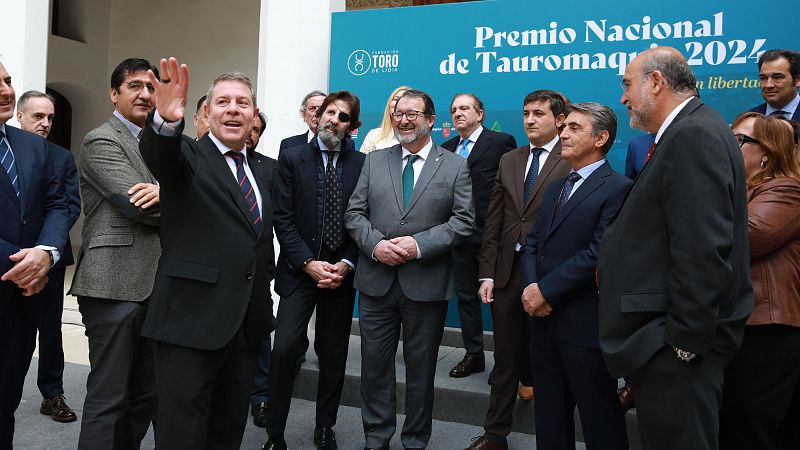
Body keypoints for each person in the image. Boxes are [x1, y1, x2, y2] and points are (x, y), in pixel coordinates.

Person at [597, 47, 752, 450]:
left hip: (678, 352)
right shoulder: (691, 129)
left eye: (627, 85)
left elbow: (702, 248)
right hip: (672, 345)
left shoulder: (693, 134)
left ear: (656, 82)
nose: (623, 98)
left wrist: (683, 345)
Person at [139, 57, 276, 450]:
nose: (233, 109)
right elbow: (161, 154)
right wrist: (164, 120)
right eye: (223, 102)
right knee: (182, 436)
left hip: (245, 329)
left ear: (254, 116)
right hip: (189, 326)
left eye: (243, 103)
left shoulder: (260, 172)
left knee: (227, 433)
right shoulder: (188, 158)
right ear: (206, 112)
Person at [345, 89, 475, 450]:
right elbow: (354, 215)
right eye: (399, 113)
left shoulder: (454, 165)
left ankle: (416, 440)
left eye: (413, 114)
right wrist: (375, 246)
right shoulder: (373, 161)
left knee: (420, 372)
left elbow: (463, 221)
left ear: (430, 120)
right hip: (376, 283)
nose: (404, 120)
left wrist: (419, 245)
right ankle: (376, 437)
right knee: (374, 368)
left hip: (426, 284)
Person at [521, 102, 630, 450]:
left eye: (574, 128)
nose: (563, 133)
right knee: (549, 420)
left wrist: (546, 292)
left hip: (585, 327)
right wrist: (531, 290)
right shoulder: (555, 187)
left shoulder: (619, 188)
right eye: (564, 126)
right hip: (543, 325)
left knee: (601, 421)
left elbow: (598, 254)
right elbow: (534, 243)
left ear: (601, 138)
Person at [465, 90, 571, 450]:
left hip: (550, 278)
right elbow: (494, 220)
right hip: (508, 276)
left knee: (548, 363)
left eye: (538, 114)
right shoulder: (510, 159)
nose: (529, 120)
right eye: (526, 113)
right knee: (505, 361)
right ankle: (495, 435)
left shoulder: (572, 156)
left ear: (559, 119)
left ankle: (553, 439)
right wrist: (487, 273)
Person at [263, 91, 365, 450]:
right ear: (319, 115)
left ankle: (326, 426)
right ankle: (274, 433)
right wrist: (308, 263)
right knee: (285, 348)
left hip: (340, 274)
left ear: (352, 127)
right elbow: (283, 219)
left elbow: (364, 220)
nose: (333, 120)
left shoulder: (362, 163)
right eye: (329, 112)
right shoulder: (292, 158)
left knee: (333, 352)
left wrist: (347, 263)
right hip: (299, 270)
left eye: (342, 116)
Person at [69, 57, 161, 450]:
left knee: (144, 396)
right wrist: (176, 197)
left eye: (151, 87)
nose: (144, 94)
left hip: (159, 287)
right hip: (113, 285)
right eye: (135, 86)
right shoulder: (102, 139)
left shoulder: (161, 142)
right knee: (109, 396)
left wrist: (166, 194)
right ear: (114, 93)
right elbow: (138, 205)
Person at [719, 112, 800, 450]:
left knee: (750, 430)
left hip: (765, 327)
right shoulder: (737, 193)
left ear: (766, 153)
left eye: (738, 140)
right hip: (737, 325)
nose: (727, 145)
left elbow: (745, 239)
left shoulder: (787, 189)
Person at [0, 61, 70, 450]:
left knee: (5, 402)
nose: (6, 90)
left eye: (8, 80)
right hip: (19, 278)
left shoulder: (32, 146)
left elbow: (58, 204)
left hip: (21, 304)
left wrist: (46, 252)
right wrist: (26, 265)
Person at [16, 90, 81, 423]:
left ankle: (52, 393)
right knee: (14, 330)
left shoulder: (61, 157)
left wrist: (44, 249)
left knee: (50, 329)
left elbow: (70, 206)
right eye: (38, 116)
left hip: (51, 260)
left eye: (50, 117)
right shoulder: (5, 152)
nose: (45, 123)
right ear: (20, 117)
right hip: (9, 261)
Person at [441, 93, 516, 380]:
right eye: (454, 110)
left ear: (480, 113)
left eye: (464, 108)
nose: (458, 113)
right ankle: (474, 355)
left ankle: (505, 360)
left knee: (498, 300)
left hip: (491, 236)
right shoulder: (446, 148)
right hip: (458, 236)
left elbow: (510, 188)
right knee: (465, 298)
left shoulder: (500, 142)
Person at [247, 110, 277, 428]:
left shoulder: (270, 168)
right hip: (218, 271)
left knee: (260, 334)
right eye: (248, 128)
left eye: (257, 131)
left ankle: (261, 397)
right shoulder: (213, 163)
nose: (250, 134)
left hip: (258, 268)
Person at [749, 49, 800, 121]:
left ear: (797, 80)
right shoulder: (748, 119)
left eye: (777, 77)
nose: (768, 85)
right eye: (763, 78)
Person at [359, 85, 411, 153]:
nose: (399, 103)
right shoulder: (374, 135)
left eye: (405, 100)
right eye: (396, 99)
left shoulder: (415, 136)